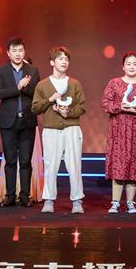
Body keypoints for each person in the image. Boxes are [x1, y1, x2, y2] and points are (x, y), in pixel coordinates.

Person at [31, 46, 87, 214]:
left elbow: (82, 107)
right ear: (52, 62)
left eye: (66, 59)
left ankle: (77, 201)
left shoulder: (75, 84)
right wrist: (50, 100)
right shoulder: (42, 85)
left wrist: (68, 112)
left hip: (72, 129)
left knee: (74, 165)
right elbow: (35, 108)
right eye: (61, 58)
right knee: (50, 166)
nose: (64, 62)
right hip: (51, 129)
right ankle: (49, 200)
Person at [102, 52, 136, 214]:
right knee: (118, 164)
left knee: (134, 164)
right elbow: (105, 103)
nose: (132, 66)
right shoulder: (114, 83)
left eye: (135, 64)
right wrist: (120, 106)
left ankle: (130, 203)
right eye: (128, 64)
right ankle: (115, 203)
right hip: (119, 130)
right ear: (123, 66)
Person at [0, 37, 40, 207]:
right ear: (8, 53)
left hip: (27, 120)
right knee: (10, 161)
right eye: (14, 51)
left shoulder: (33, 70)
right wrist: (18, 87)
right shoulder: (1, 71)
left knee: (26, 161)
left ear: (24, 52)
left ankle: (25, 196)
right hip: (8, 122)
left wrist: (25, 87)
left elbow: (36, 92)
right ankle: (10, 195)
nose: (18, 54)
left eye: (20, 50)